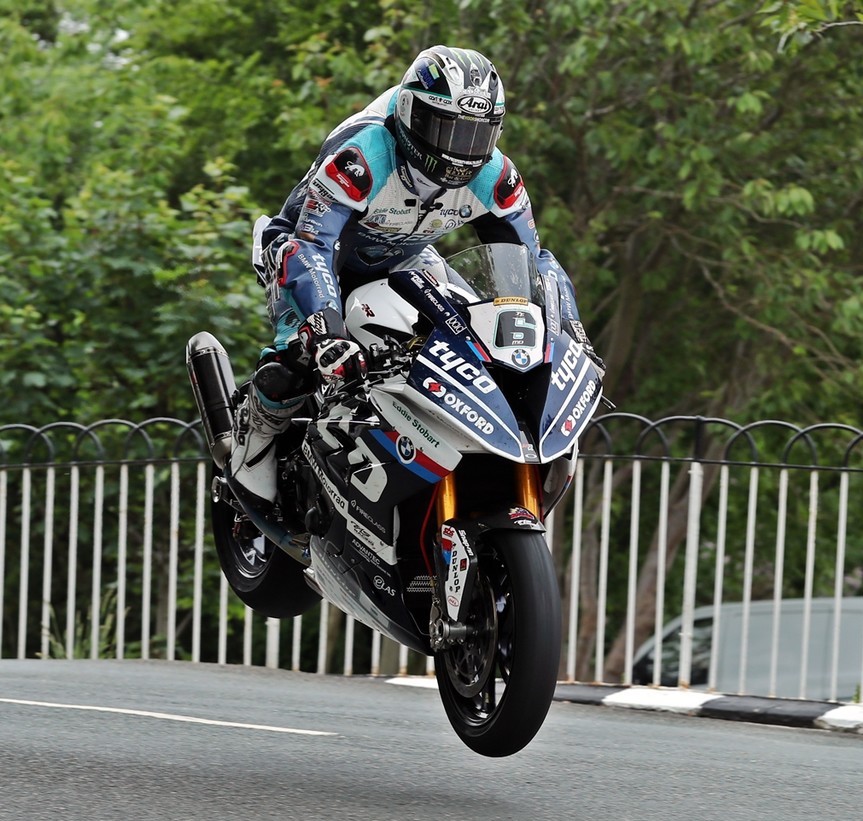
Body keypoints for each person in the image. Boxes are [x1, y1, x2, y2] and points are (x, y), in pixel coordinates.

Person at [229, 45, 601, 509]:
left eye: (473, 136)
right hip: (313, 251)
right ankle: (258, 428)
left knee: (477, 334)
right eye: (447, 130)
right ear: (410, 114)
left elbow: (531, 262)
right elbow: (312, 245)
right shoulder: (363, 155)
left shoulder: (496, 175)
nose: (458, 153)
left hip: (406, 255)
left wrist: (567, 332)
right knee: (305, 353)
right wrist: (325, 334)